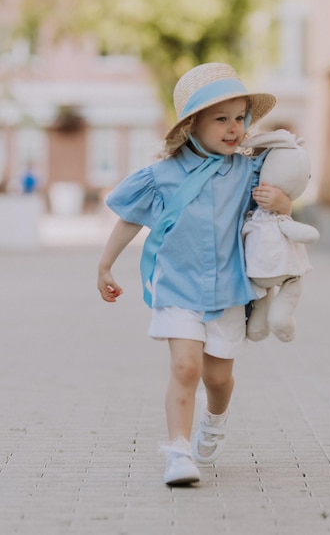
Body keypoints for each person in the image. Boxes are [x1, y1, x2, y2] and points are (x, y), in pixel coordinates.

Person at [97, 63, 291, 486]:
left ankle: (215, 420)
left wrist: (284, 202)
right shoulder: (162, 175)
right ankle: (178, 452)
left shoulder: (246, 171)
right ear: (192, 125)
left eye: (239, 118)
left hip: (227, 291)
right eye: (220, 119)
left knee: (218, 378)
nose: (233, 128)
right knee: (185, 367)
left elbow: (274, 208)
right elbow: (131, 218)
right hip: (178, 288)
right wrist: (106, 263)